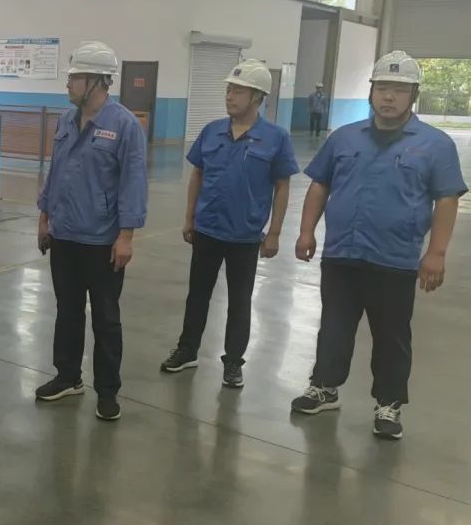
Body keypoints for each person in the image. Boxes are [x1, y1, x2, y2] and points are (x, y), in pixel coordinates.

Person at [291, 51, 466, 440]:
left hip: (394, 259)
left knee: (391, 335)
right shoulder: (344, 137)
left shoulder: (435, 144)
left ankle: (389, 403)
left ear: (413, 95)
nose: (389, 97)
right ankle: (325, 386)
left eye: (399, 90)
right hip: (342, 253)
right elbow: (320, 184)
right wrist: (306, 231)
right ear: (371, 91)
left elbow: (446, 199)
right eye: (382, 88)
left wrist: (436, 253)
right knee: (333, 326)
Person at [160, 59, 299, 388]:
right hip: (207, 229)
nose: (230, 96)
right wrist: (189, 217)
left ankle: (234, 362)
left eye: (238, 91)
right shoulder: (212, 131)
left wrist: (274, 233)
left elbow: (282, 186)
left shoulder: (275, 138)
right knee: (197, 295)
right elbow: (197, 174)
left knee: (239, 300)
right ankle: (187, 350)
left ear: (257, 97)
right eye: (229, 90)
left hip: (245, 236)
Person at [34, 41, 148, 421]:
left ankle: (108, 391)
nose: (68, 84)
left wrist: (126, 236)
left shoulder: (124, 125)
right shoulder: (66, 121)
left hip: (102, 241)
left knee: (106, 318)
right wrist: (45, 216)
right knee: (67, 311)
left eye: (75, 77)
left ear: (98, 81)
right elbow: (56, 171)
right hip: (65, 234)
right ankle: (68, 376)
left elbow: (133, 182)